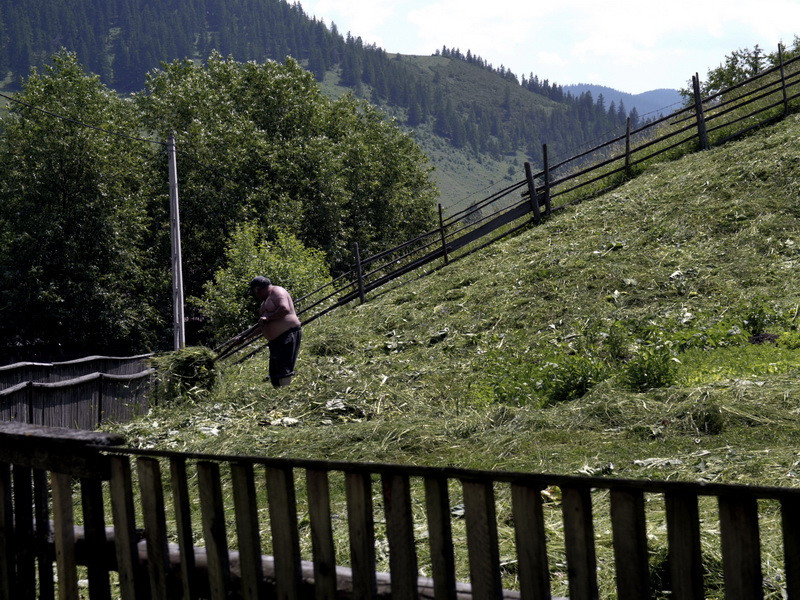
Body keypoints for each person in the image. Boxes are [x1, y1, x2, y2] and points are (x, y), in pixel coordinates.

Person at [240, 276, 302, 387]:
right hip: (276, 341)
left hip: (287, 334)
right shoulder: (265, 302)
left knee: (284, 368)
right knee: (275, 373)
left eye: (255, 292)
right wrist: (246, 337)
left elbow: (284, 309)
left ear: (258, 289)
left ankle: (286, 394)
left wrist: (268, 318)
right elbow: (263, 326)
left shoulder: (277, 291)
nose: (256, 295)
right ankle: (279, 396)